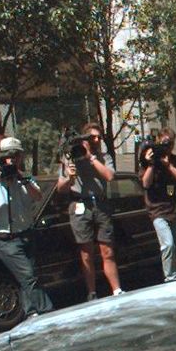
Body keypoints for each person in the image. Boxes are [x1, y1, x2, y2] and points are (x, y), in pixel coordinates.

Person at [0, 136, 54, 320]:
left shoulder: (24, 177)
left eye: (16, 156)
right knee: (28, 276)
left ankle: (31, 313)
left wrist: (21, 178)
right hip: (5, 239)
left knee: (27, 277)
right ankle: (48, 312)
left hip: (26, 234)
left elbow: (37, 196)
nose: (11, 160)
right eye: (8, 156)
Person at [55, 122, 122, 300]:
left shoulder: (102, 155)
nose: (97, 140)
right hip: (80, 206)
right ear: (84, 139)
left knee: (107, 250)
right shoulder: (71, 156)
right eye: (93, 137)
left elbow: (109, 176)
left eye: (99, 137)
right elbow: (60, 188)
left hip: (100, 204)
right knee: (86, 252)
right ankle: (91, 292)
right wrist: (69, 176)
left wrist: (91, 157)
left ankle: (116, 290)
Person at [139, 127, 176, 282]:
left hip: (175, 210)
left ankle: (172, 271)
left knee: (174, 246)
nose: (166, 147)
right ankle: (170, 278)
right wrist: (151, 164)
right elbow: (145, 184)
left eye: (169, 144)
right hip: (157, 210)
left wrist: (169, 166)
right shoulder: (149, 161)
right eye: (163, 143)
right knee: (167, 244)